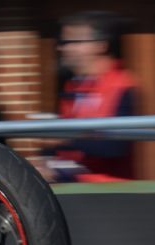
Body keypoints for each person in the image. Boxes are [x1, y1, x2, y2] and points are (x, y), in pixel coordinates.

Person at [32, 11, 137, 182]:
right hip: (75, 186)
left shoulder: (122, 85)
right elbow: (66, 144)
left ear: (100, 46)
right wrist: (45, 161)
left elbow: (117, 146)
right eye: (62, 42)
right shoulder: (73, 86)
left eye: (71, 42)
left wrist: (63, 138)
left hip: (111, 192)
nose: (62, 48)